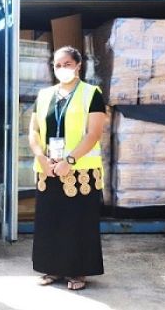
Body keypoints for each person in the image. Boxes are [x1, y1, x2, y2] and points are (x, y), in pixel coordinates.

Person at [28, 46, 106, 291]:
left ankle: (77, 271)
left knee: (77, 221)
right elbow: (34, 130)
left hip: (79, 170)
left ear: (78, 65)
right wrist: (40, 156)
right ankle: (52, 268)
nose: (62, 69)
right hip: (49, 168)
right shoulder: (44, 95)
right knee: (50, 219)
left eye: (67, 64)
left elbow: (93, 134)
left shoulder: (91, 93)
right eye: (57, 65)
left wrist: (69, 161)